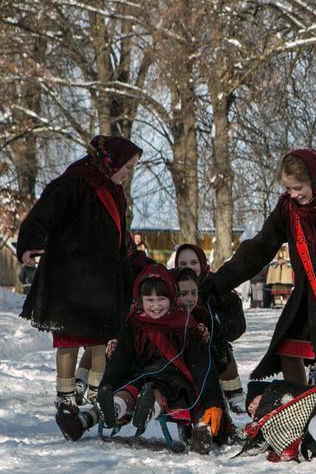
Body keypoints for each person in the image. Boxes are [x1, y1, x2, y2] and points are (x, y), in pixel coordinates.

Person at [201, 149, 316, 390]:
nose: (294, 195)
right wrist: (218, 281)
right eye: (288, 189)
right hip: (306, 298)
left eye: (298, 188)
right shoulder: (289, 209)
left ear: (315, 179)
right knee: (288, 349)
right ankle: (302, 402)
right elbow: (259, 248)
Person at [17, 135, 140, 419]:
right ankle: (65, 396)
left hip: (104, 281)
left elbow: (119, 237)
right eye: (128, 166)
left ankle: (97, 393)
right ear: (113, 161)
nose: (128, 173)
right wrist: (31, 241)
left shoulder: (116, 192)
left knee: (101, 340)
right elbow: (44, 211)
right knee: (68, 341)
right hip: (70, 279)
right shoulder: (76, 181)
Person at [56, 266, 225, 453]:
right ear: (140, 300)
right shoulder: (134, 323)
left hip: (174, 379)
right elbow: (122, 358)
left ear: (171, 298)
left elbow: (201, 364)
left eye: (161, 299)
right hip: (140, 374)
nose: (156, 305)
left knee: (158, 389)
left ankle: (150, 408)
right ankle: (114, 407)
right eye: (150, 300)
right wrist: (108, 385)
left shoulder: (185, 325)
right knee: (130, 387)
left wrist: (212, 401)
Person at [172, 243, 247, 412]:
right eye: (183, 264)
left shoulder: (214, 287)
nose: (189, 268)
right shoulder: (171, 288)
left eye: (193, 263)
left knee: (223, 353)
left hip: (213, 343)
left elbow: (235, 327)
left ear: (202, 264)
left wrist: (222, 315)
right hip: (181, 346)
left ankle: (233, 392)